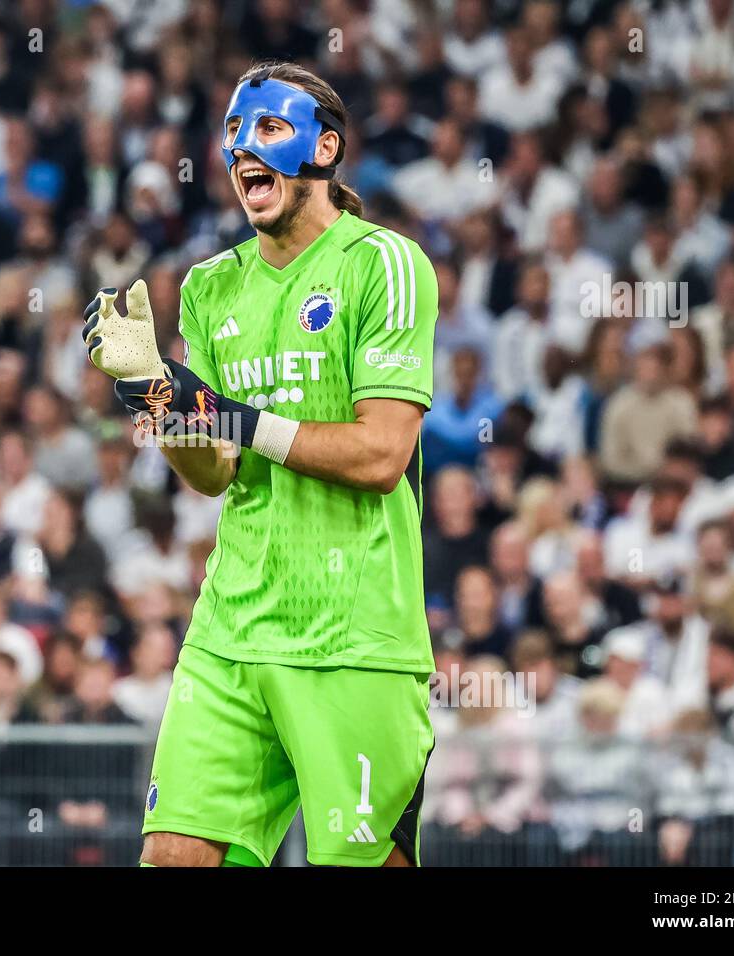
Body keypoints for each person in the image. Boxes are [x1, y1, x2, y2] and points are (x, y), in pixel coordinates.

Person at [84, 62, 438, 867]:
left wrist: (239, 419)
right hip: (232, 627)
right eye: (235, 134)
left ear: (326, 148)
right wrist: (153, 396)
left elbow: (383, 454)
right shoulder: (210, 289)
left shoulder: (384, 265)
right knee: (173, 857)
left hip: (356, 636)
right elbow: (214, 472)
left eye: (270, 128)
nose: (244, 148)